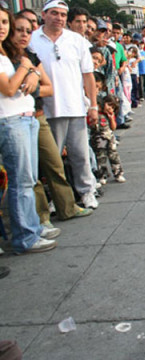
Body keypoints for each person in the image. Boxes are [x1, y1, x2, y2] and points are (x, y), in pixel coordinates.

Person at [30, 0, 100, 210]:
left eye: (62, 14)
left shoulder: (76, 40)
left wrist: (94, 106)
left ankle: (87, 191)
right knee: (51, 160)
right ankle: (54, 197)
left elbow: (88, 76)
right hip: (47, 109)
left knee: (81, 155)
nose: (59, 18)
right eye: (54, 13)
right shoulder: (32, 40)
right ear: (44, 15)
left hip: (75, 107)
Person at [0, 7, 57, 253]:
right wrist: (26, 67)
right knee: (21, 183)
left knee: (29, 180)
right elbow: (10, 89)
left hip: (26, 118)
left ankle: (31, 226)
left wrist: (30, 70)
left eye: (4, 21)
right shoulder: (15, 59)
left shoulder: (8, 54)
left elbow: (44, 87)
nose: (3, 27)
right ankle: (26, 236)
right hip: (11, 121)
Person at [91, 94, 125, 184]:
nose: (110, 108)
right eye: (109, 105)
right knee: (100, 157)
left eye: (113, 107)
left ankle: (118, 173)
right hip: (98, 139)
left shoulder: (109, 115)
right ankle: (102, 175)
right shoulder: (97, 114)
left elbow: (113, 128)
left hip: (109, 137)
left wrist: (111, 118)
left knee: (113, 156)